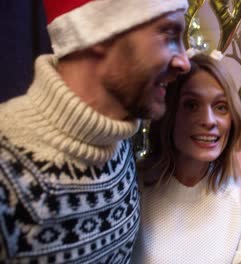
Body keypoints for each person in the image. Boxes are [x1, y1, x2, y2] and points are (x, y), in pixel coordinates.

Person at [0, 0, 190, 262]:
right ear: (99, 32)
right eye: (169, 34)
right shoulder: (6, 168)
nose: (184, 62)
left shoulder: (119, 142)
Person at [133, 53, 241, 263]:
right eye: (192, 105)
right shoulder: (133, 188)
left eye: (221, 107)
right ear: (169, 111)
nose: (209, 120)